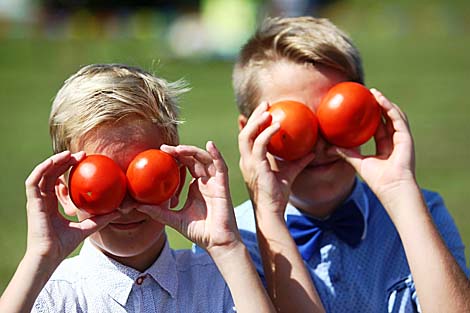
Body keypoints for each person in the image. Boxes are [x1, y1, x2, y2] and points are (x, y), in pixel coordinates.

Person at [230, 16, 470, 312]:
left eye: (339, 118)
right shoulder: (234, 241)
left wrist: (399, 191)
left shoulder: (422, 213)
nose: (320, 145)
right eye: (295, 128)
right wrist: (267, 213)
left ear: (369, 111)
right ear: (248, 132)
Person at [0, 63, 277, 313]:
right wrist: (40, 260)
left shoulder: (224, 282)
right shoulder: (52, 296)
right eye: (101, 186)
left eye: (146, 180)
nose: (125, 205)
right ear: (65, 193)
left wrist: (227, 248)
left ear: (176, 183)